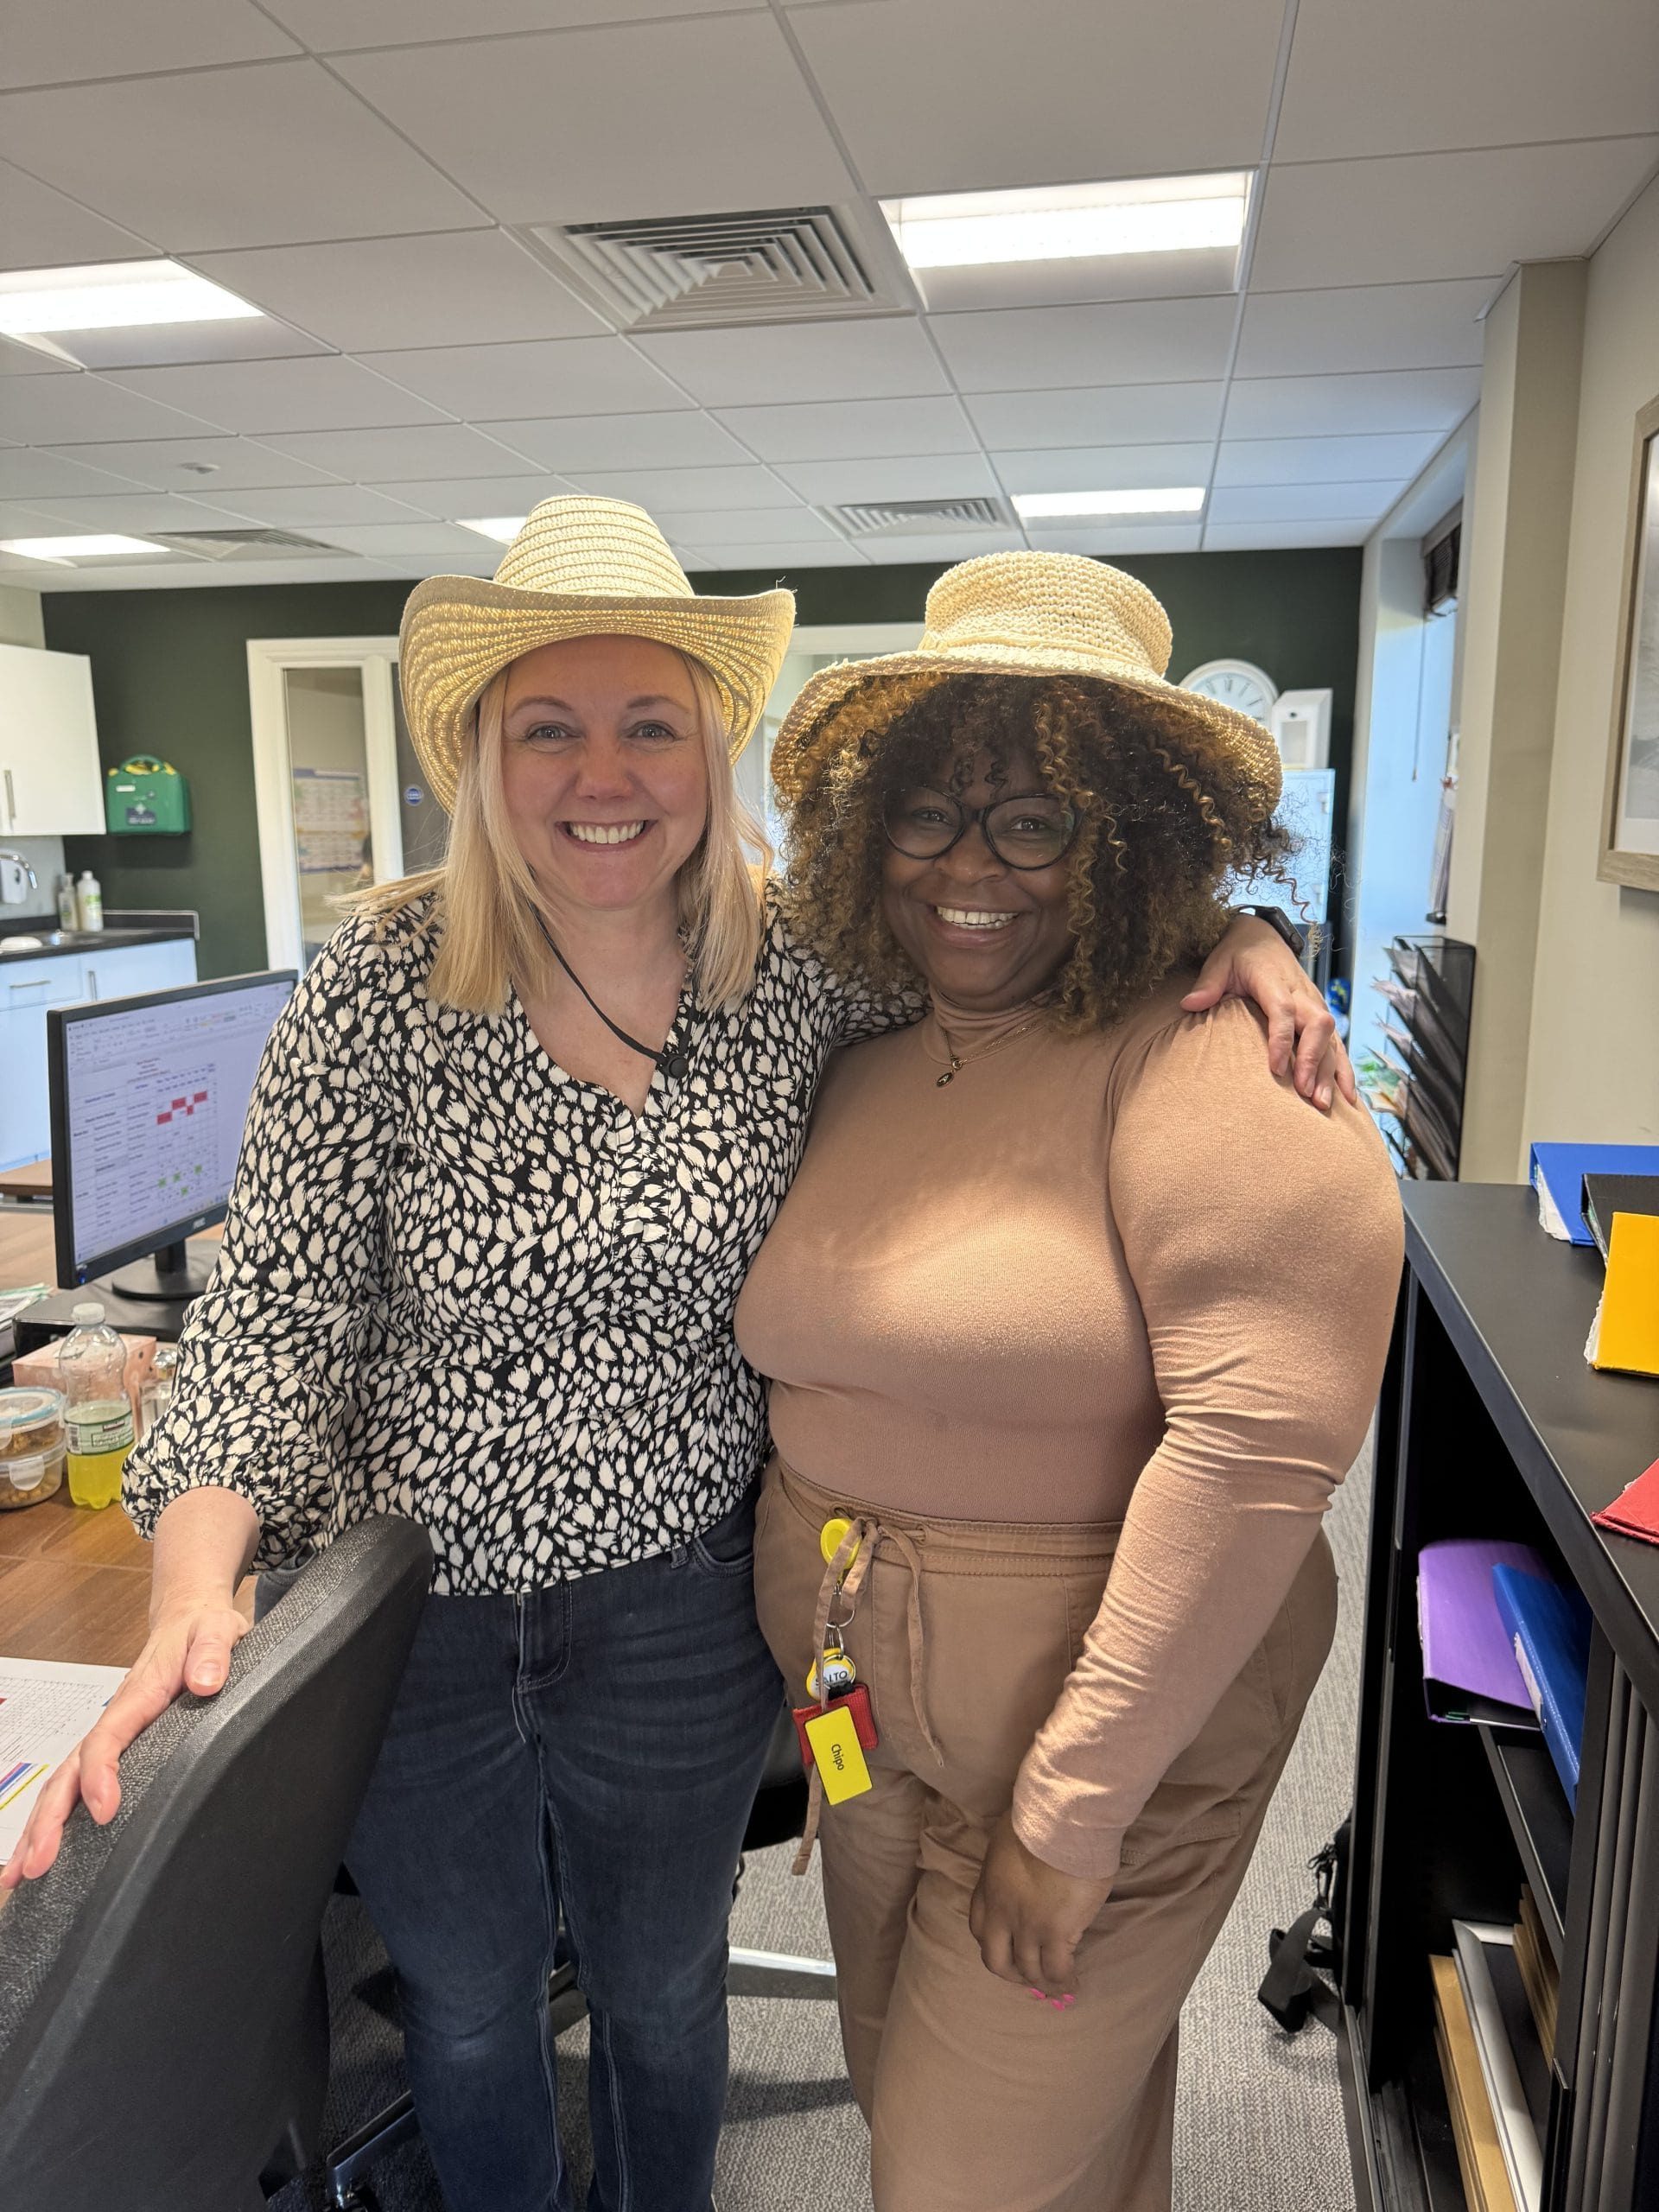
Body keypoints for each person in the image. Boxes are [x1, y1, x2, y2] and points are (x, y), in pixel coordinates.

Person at [4, 504, 1346, 2212]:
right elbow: (272, 1315)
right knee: (469, 2012)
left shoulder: (804, 969)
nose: (602, 773)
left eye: (648, 724)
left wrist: (1236, 937)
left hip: (679, 1609)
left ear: (708, 751)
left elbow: (1030, 921)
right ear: (481, 759)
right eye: (547, 729)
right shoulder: (378, 985)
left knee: (659, 1993)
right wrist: (195, 1587)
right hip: (411, 1614)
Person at [735, 551, 1403, 2212]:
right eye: (928, 815)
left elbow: (1256, 1454)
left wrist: (1074, 1813)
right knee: (925, 2095)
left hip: (1107, 1739)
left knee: (953, 2176)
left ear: (1137, 842)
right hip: (862, 1725)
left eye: (1036, 823)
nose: (970, 867)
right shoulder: (866, 1041)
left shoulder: (1221, 1064)